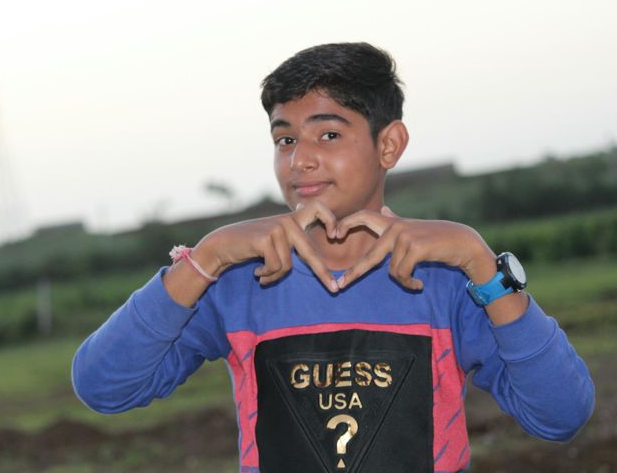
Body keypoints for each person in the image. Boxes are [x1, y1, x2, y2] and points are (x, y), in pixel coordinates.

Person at [71, 42, 595, 473]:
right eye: (285, 139)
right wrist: (205, 259)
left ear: (389, 145)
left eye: (328, 134)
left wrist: (482, 264)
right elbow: (104, 387)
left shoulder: (448, 278)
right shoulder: (236, 282)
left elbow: (561, 416)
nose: (300, 159)